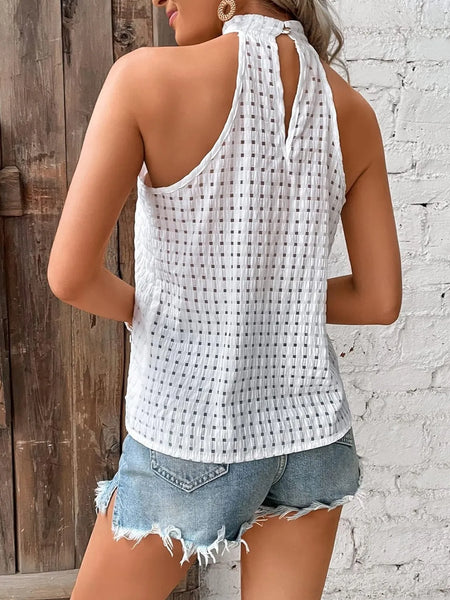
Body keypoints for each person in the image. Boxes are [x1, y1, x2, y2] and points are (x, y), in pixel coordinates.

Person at [47, 0, 402, 598]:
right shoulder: (353, 111)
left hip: (192, 433)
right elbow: (378, 300)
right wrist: (272, 299)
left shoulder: (144, 79)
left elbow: (70, 276)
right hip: (313, 437)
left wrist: (163, 308)